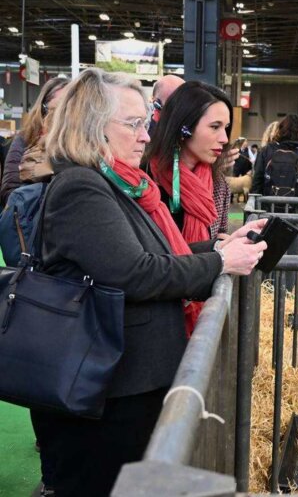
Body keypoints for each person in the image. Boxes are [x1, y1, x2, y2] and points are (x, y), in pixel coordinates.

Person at [34, 68, 267, 497]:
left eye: (146, 122)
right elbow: (136, 273)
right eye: (133, 124)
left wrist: (218, 249)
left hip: (127, 382)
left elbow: (158, 258)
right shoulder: (81, 188)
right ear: (92, 126)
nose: (146, 135)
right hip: (108, 391)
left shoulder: (118, 184)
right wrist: (218, 262)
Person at [146, 82, 233, 248]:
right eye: (215, 127)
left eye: (226, 127)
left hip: (202, 271)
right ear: (184, 127)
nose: (224, 138)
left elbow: (219, 232)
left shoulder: (219, 185)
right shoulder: (143, 178)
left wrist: (225, 244)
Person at [250, 113, 298, 290]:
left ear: (280, 129)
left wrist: (255, 208)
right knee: (292, 252)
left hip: (268, 211)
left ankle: (265, 288)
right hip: (294, 211)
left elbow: (256, 181)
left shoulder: (267, 151)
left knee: (267, 251)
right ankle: (288, 290)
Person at [0, 76, 69, 206]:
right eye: (57, 109)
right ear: (43, 109)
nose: (63, 116)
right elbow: (9, 192)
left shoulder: (81, 143)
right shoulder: (25, 138)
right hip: (32, 219)